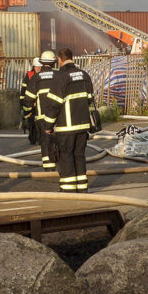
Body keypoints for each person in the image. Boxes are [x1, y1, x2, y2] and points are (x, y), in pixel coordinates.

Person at [44, 47, 94, 193]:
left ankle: (68, 189)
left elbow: (53, 104)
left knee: (65, 157)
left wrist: (48, 125)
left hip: (66, 127)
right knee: (79, 156)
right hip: (83, 125)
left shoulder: (60, 77)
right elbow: (90, 99)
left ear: (60, 60)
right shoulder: (84, 75)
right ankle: (82, 187)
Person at [22, 50, 59, 171]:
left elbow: (28, 100)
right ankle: (59, 163)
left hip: (42, 117)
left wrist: (27, 114)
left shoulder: (36, 78)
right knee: (58, 140)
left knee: (45, 142)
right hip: (58, 116)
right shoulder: (59, 76)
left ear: (42, 63)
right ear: (54, 63)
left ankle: (48, 168)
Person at [20, 57, 42, 144]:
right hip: (30, 103)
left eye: (40, 67)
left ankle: (40, 139)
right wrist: (22, 103)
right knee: (31, 121)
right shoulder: (28, 76)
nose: (38, 68)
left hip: (40, 103)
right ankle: (33, 138)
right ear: (33, 66)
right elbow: (23, 90)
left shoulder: (43, 75)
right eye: (37, 67)